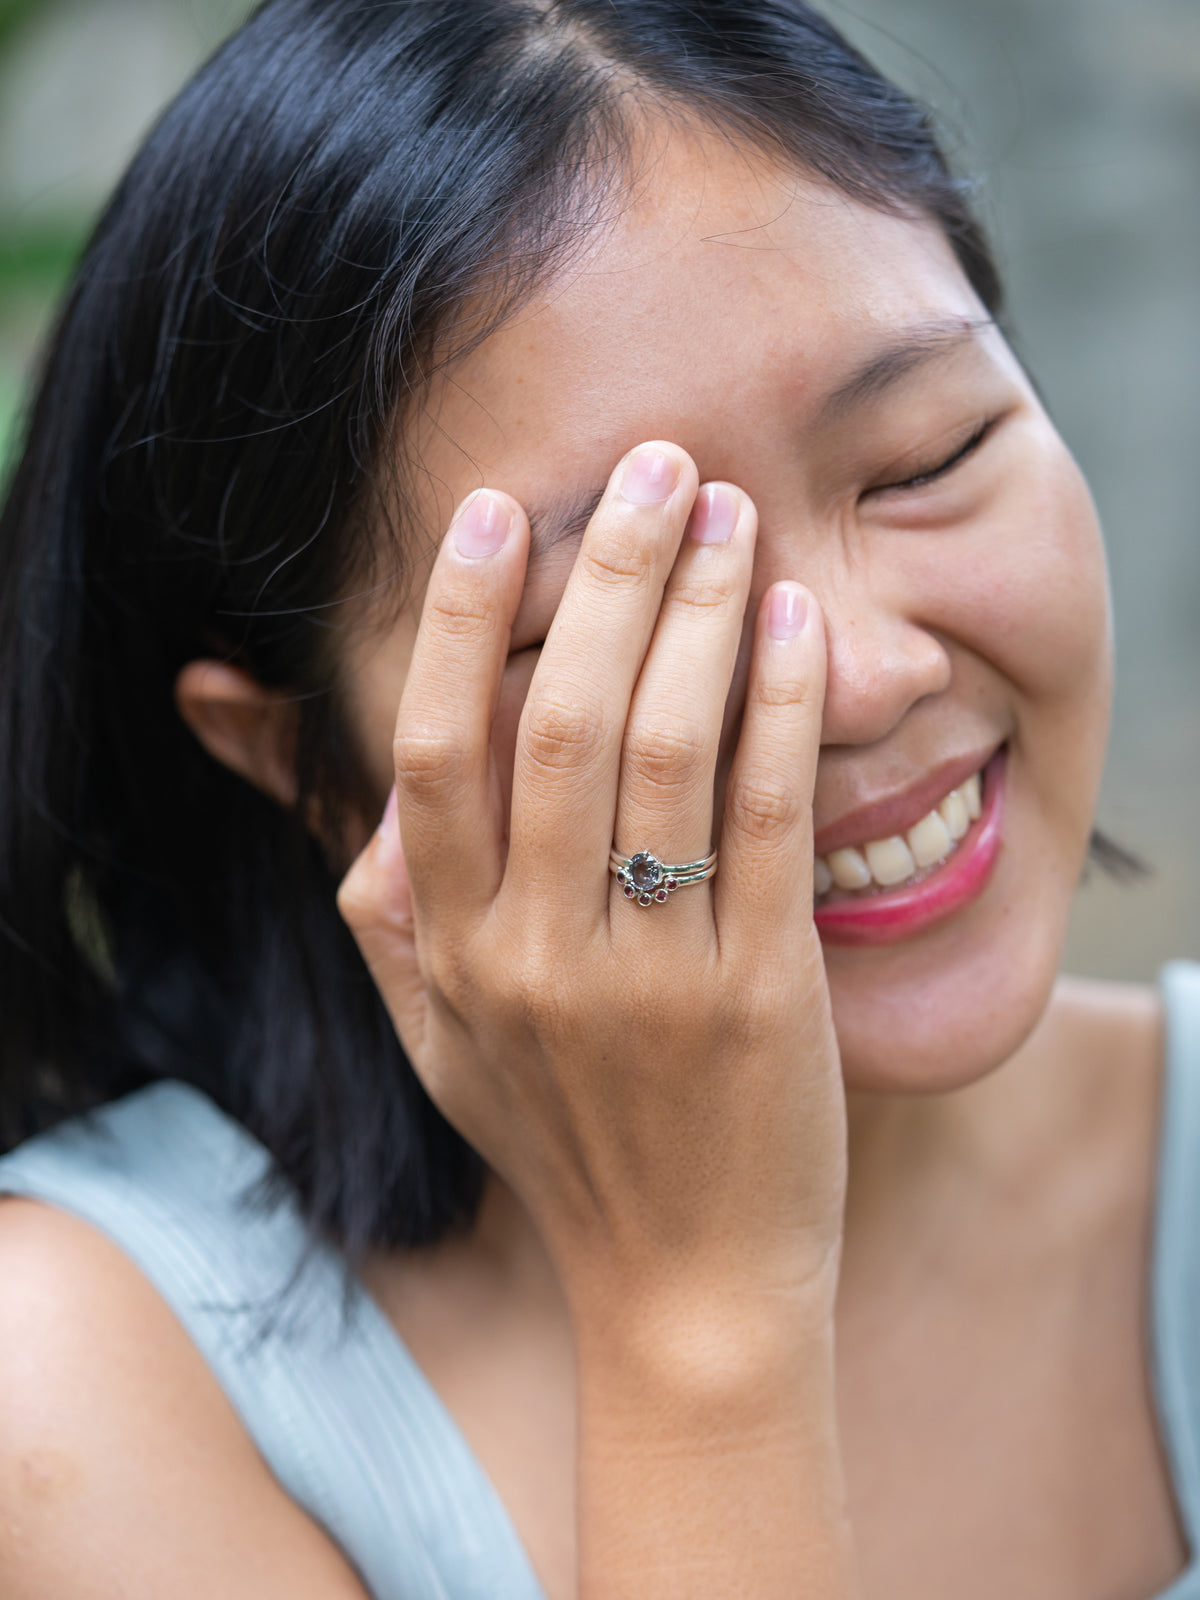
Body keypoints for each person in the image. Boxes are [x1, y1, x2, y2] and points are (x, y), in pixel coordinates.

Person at [0, 1, 1193, 1595]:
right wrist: (698, 1315)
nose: (855, 678)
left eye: (927, 456)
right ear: (301, 758)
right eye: (611, 628)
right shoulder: (73, 1380)